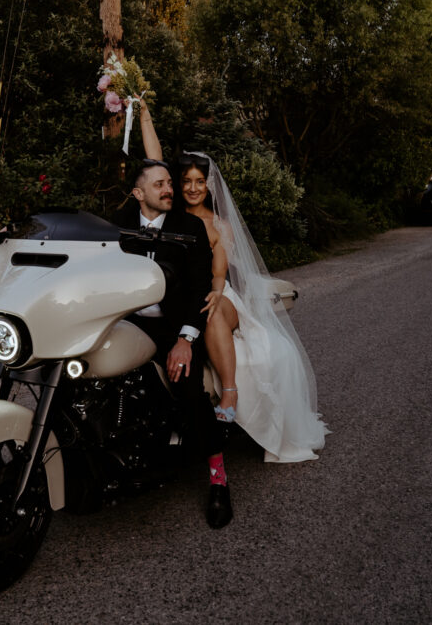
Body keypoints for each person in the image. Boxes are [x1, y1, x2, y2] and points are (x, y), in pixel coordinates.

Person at [138, 99, 327, 463]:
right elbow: (155, 159)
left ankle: (229, 391)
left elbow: (220, 274)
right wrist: (144, 113)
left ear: (209, 185)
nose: (193, 188)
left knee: (210, 308)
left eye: (199, 182)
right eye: (186, 182)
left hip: (219, 295)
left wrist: (214, 292)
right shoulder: (172, 214)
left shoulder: (218, 225)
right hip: (184, 296)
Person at [111, 157, 234, 529]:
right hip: (126, 324)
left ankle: (218, 478)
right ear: (138, 193)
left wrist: (185, 340)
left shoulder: (190, 226)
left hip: (173, 327)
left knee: (188, 391)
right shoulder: (115, 226)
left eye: (170, 183)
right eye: (160, 185)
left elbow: (201, 288)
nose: (169, 190)